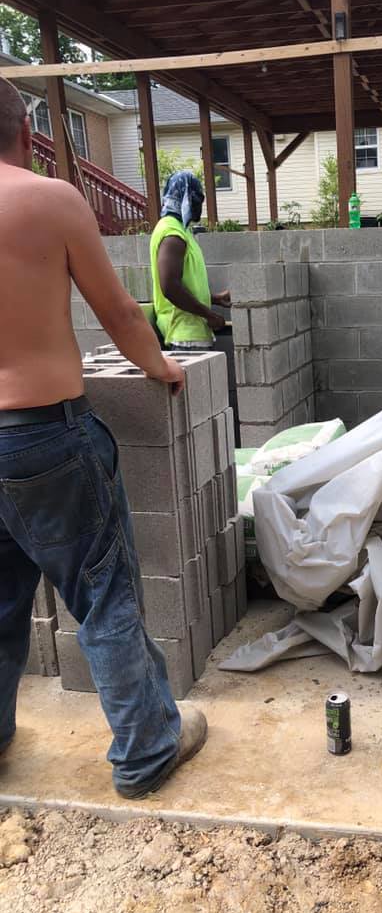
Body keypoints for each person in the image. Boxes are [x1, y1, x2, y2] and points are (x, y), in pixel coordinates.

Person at [0, 79, 207, 799]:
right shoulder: (50, 199)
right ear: (26, 135)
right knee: (103, 592)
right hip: (43, 435)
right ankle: (147, 750)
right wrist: (162, 367)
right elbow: (119, 312)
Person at [150, 171, 230, 351]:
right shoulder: (172, 234)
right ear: (186, 198)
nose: (200, 206)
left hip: (191, 334)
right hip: (184, 336)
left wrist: (214, 299)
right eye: (198, 200)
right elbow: (170, 287)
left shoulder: (181, 230)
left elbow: (185, 284)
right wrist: (209, 315)